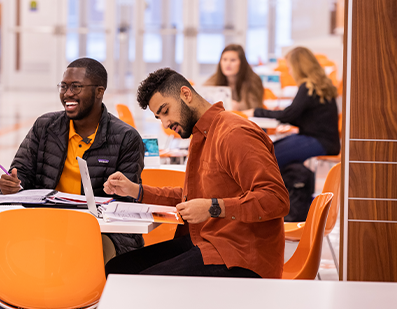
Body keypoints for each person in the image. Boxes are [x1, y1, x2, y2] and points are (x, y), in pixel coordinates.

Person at [103, 68, 289, 278]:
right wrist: (136, 191)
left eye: (165, 111)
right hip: (206, 241)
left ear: (186, 94)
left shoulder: (234, 134)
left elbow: (276, 199)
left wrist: (214, 208)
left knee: (139, 283)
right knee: (118, 269)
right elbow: (191, 199)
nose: (165, 123)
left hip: (240, 255)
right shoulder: (201, 135)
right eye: (158, 117)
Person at [0, 57, 145, 262]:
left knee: (79, 257)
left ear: (99, 92)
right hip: (47, 225)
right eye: (64, 86)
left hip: (102, 232)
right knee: (10, 251)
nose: (67, 94)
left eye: (76, 87)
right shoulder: (45, 126)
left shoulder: (126, 138)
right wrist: (12, 184)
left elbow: (127, 205)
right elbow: (21, 172)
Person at [243, 46, 340, 170]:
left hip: (319, 142)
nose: (289, 72)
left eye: (289, 68)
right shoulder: (317, 86)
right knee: (268, 151)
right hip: (324, 141)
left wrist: (256, 112)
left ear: (298, 67)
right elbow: (297, 116)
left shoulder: (308, 87)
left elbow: (288, 115)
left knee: (267, 156)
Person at [204, 44, 264, 111]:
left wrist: (237, 106)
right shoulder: (214, 79)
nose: (228, 63)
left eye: (233, 60)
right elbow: (203, 97)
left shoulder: (253, 80)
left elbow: (254, 105)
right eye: (224, 59)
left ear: (242, 63)